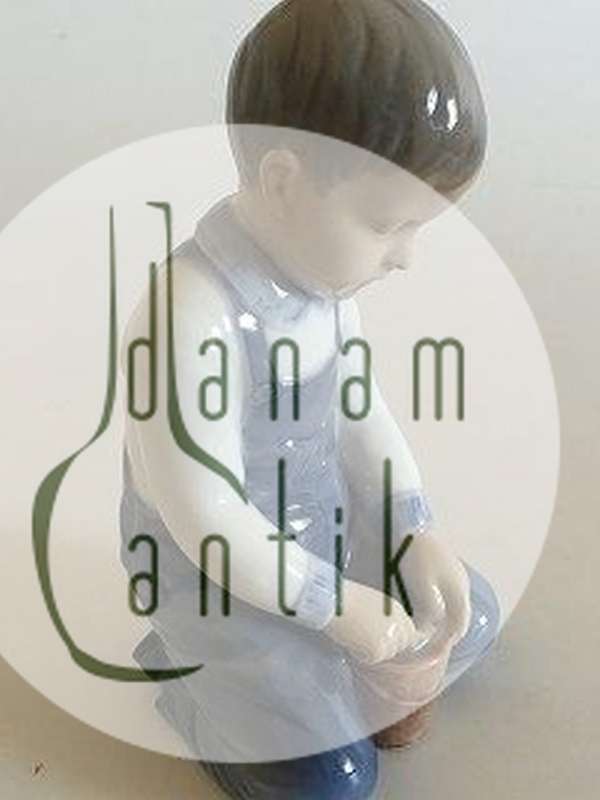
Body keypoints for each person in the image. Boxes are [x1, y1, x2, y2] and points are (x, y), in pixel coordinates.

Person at [120, 1, 500, 797]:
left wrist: (412, 527)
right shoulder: (186, 312)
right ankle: (188, 680)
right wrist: (335, 609)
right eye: (387, 225)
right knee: (332, 783)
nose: (406, 259)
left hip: (325, 530)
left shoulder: (325, 286)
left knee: (470, 615)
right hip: (218, 580)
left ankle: (335, 680)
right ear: (284, 181)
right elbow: (206, 521)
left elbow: (361, 415)